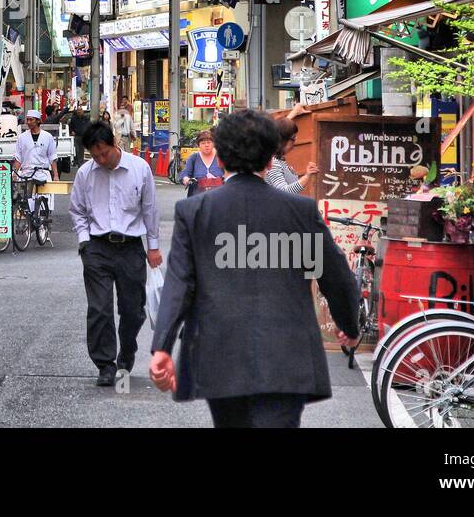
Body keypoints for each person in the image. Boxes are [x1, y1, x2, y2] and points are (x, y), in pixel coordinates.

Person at [149, 110, 360, 428]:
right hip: (287, 353)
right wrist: (349, 325)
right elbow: (334, 275)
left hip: (220, 352)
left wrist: (162, 347)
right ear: (270, 160)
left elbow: (180, 283)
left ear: (220, 159)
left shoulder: (195, 211)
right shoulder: (299, 210)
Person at [69, 121, 162, 386]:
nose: (100, 159)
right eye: (94, 155)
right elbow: (76, 210)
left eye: (104, 153)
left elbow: (150, 210)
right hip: (97, 248)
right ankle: (105, 364)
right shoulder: (86, 173)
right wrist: (84, 241)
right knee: (99, 309)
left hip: (131, 247)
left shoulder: (139, 169)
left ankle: (127, 353)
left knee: (133, 310)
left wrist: (153, 247)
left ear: (114, 143)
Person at [265, 116, 319, 195]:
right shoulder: (273, 164)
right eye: (293, 138)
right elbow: (283, 192)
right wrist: (307, 176)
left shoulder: (279, 160)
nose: (295, 141)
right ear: (282, 140)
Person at [180, 129, 225, 197]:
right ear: (198, 145)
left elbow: (230, 175)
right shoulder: (193, 158)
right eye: (203, 143)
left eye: (209, 142)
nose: (206, 145)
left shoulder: (221, 156)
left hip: (219, 198)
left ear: (214, 143)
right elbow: (185, 173)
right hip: (197, 199)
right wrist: (186, 179)